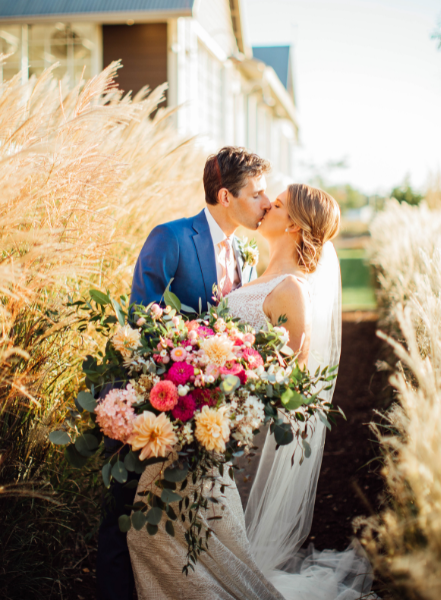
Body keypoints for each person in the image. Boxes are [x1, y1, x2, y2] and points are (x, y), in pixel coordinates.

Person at [127, 184, 377, 599]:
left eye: (276, 204)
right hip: (200, 423)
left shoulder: (293, 291)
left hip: (221, 434)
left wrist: (232, 400)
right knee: (160, 536)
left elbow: (292, 384)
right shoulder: (254, 273)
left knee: (165, 536)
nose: (265, 207)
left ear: (294, 225)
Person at [96, 146, 271, 600]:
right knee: (125, 513)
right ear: (226, 196)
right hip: (151, 404)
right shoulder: (170, 237)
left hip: (203, 410)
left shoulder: (244, 254)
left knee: (183, 518)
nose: (266, 204)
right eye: (257, 194)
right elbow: (141, 322)